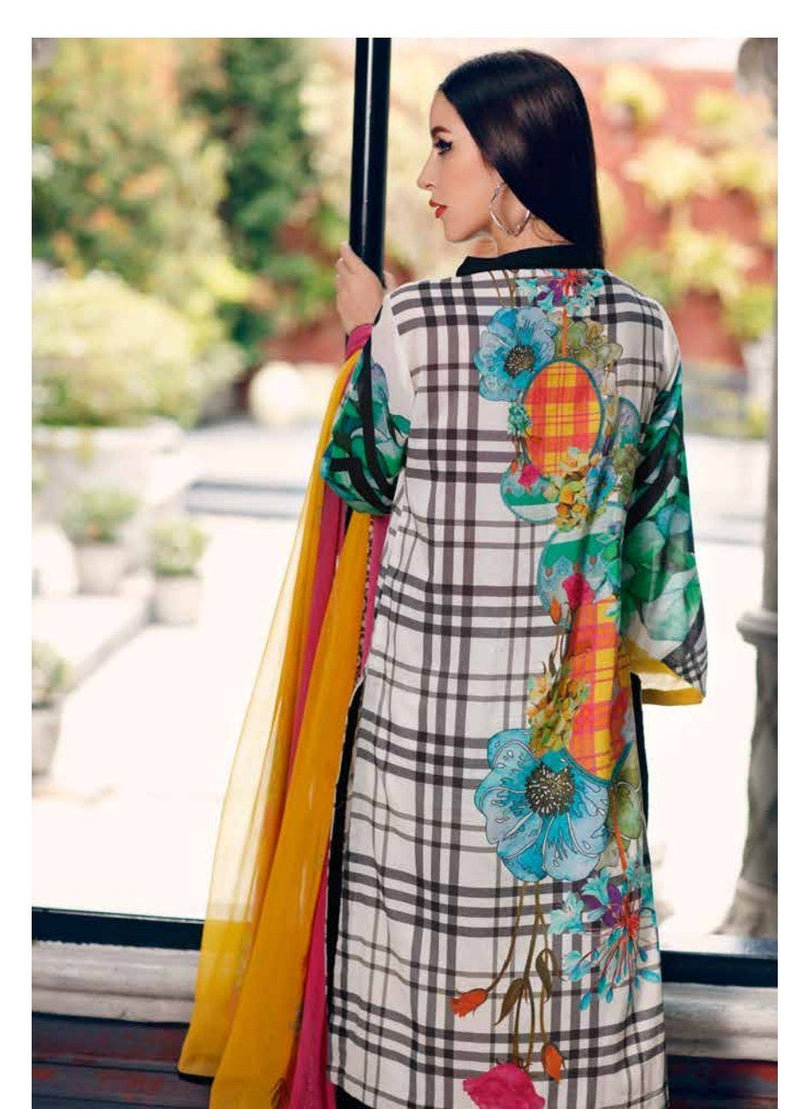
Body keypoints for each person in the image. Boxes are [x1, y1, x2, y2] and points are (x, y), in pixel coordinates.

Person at [178, 48, 706, 1109]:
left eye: (442, 146)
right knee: (562, 991)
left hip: (423, 737)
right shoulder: (646, 330)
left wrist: (363, 336)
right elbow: (659, 563)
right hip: (573, 744)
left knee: (417, 994)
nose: (424, 177)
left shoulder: (413, 328)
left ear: (510, 157)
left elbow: (359, 479)